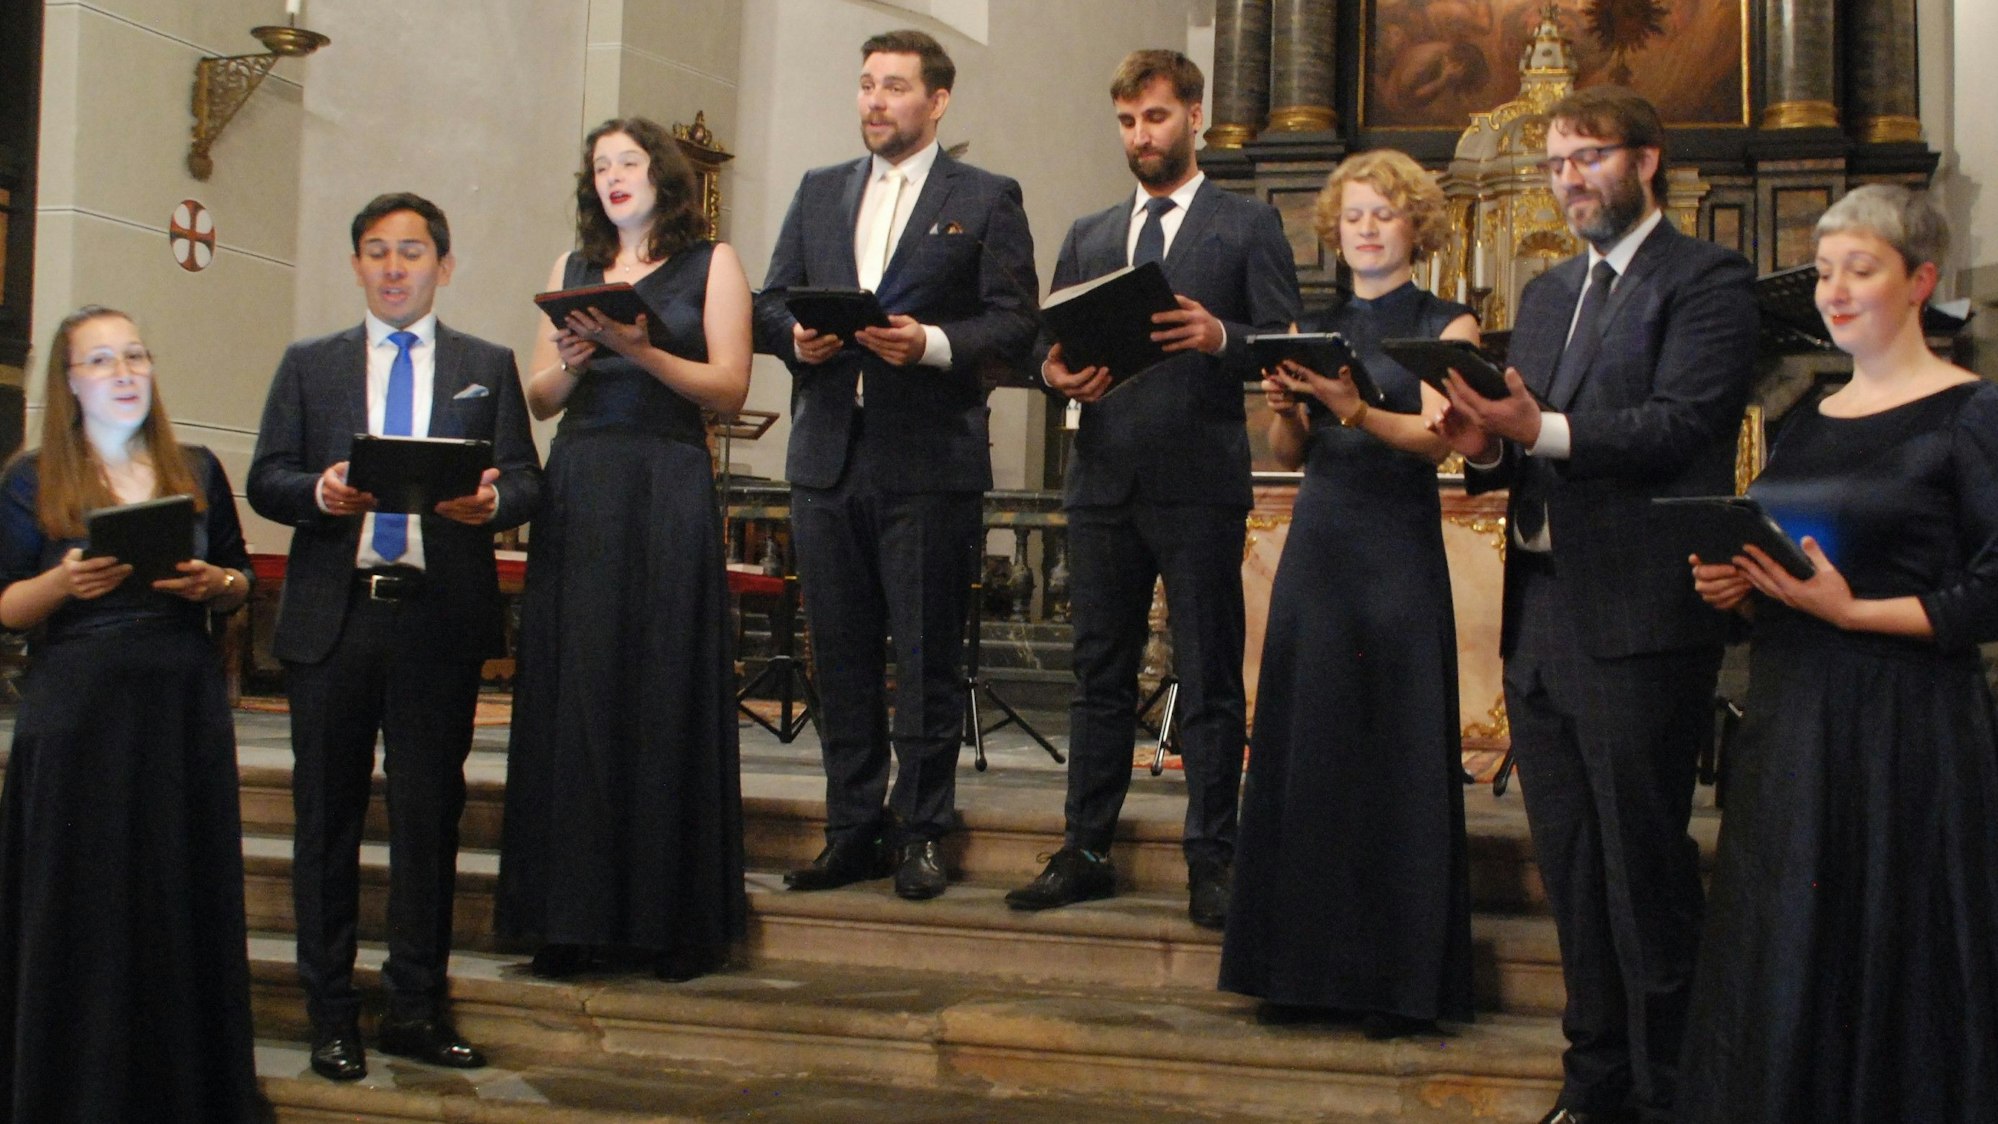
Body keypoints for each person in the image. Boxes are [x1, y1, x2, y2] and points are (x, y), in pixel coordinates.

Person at [1432, 86, 1757, 1123]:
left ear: (1648, 159)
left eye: (1591, 157)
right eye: (1558, 162)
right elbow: (1531, 444)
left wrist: (1541, 429)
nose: (1570, 177)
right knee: (1572, 871)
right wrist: (1486, 444)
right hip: (1543, 614)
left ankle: (1674, 1094)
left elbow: (1680, 425)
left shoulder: (1706, 279)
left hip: (1641, 618)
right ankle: (1595, 1084)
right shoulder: (1546, 292)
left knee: (1645, 873)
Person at [1677, 184, 1998, 1121]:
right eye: (1824, 273)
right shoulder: (1807, 414)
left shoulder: (1971, 413)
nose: (1836, 291)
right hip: (1792, 719)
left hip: (1905, 729)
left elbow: (1991, 590)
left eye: (1862, 270)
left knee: (1889, 952)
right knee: (1783, 951)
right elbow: (1795, 555)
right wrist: (1740, 586)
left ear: (1921, 281)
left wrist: (1853, 612)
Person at [249, 192, 543, 1081]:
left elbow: (529, 480)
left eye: (410, 252)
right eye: (375, 252)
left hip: (435, 619)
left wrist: (493, 503)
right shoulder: (311, 364)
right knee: (325, 824)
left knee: (427, 821)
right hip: (335, 620)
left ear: (443, 267)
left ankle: (415, 1005)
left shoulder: (485, 365)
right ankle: (329, 1013)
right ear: (356, 266)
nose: (392, 268)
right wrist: (318, 493)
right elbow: (266, 476)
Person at [1009, 49, 1300, 930]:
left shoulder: (1245, 226)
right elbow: (1041, 342)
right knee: (1099, 674)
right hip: (1102, 479)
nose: (1142, 136)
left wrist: (1220, 335)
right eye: (1130, 122)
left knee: (1209, 679)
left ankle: (1214, 858)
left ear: (1195, 117)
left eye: (1159, 118)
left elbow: (1288, 342)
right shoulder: (1093, 232)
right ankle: (1085, 847)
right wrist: (1054, 371)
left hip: (1200, 480)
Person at [754, 29, 1038, 900]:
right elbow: (767, 303)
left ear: (937, 101)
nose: (875, 100)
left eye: (896, 87)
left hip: (928, 459)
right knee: (838, 656)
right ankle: (851, 831)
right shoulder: (818, 190)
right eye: (867, 84)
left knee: (923, 658)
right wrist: (795, 339)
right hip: (828, 457)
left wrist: (933, 343)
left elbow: (1016, 323)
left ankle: (921, 830)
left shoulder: (985, 196)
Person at [1218, 150, 1477, 1037]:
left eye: (1385, 214)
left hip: (1395, 548)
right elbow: (1290, 456)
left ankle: (1395, 985)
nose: (1367, 229)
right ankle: (1296, 974)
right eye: (1355, 215)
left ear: (1417, 227)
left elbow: (1443, 442)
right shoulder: (1309, 323)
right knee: (1312, 748)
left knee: (1392, 754)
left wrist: (1355, 406)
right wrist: (1290, 406)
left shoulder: (1450, 324)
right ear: (1336, 228)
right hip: (1322, 543)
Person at [496, 116, 751, 980]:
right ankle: (568, 917)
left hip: (667, 480)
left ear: (663, 176)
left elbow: (728, 386)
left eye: (628, 162)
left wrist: (642, 352)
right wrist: (573, 357)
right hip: (584, 483)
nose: (612, 176)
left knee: (662, 684)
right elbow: (538, 398)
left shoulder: (711, 262)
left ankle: (673, 922)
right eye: (600, 164)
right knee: (578, 687)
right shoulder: (571, 270)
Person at [0, 306, 257, 1120]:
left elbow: (239, 578)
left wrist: (214, 586)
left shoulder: (199, 468)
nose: (123, 372)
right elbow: (6, 604)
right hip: (79, 707)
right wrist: (60, 585)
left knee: (175, 898)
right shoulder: (33, 477)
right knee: (79, 908)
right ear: (70, 382)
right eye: (102, 360)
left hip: (179, 704)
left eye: (135, 356)